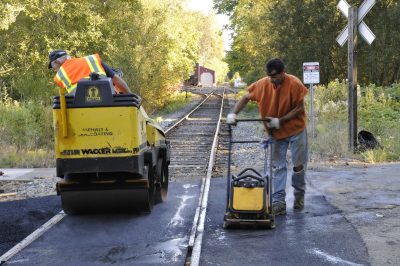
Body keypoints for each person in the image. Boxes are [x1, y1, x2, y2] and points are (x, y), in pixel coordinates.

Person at [226, 58, 308, 215]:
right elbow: (245, 98)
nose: (272, 80)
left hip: (296, 130)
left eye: (275, 76)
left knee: (298, 166)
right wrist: (233, 114)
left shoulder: (294, 83)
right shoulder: (263, 84)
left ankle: (299, 195)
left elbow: (299, 109)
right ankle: (278, 202)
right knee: (278, 166)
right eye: (270, 76)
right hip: (276, 132)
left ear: (283, 73)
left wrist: (280, 120)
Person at [48, 49, 132, 94]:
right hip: (110, 103)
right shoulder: (91, 59)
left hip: (80, 110)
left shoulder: (59, 76)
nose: (54, 70)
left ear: (57, 62)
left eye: (53, 67)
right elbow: (115, 78)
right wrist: (131, 96)